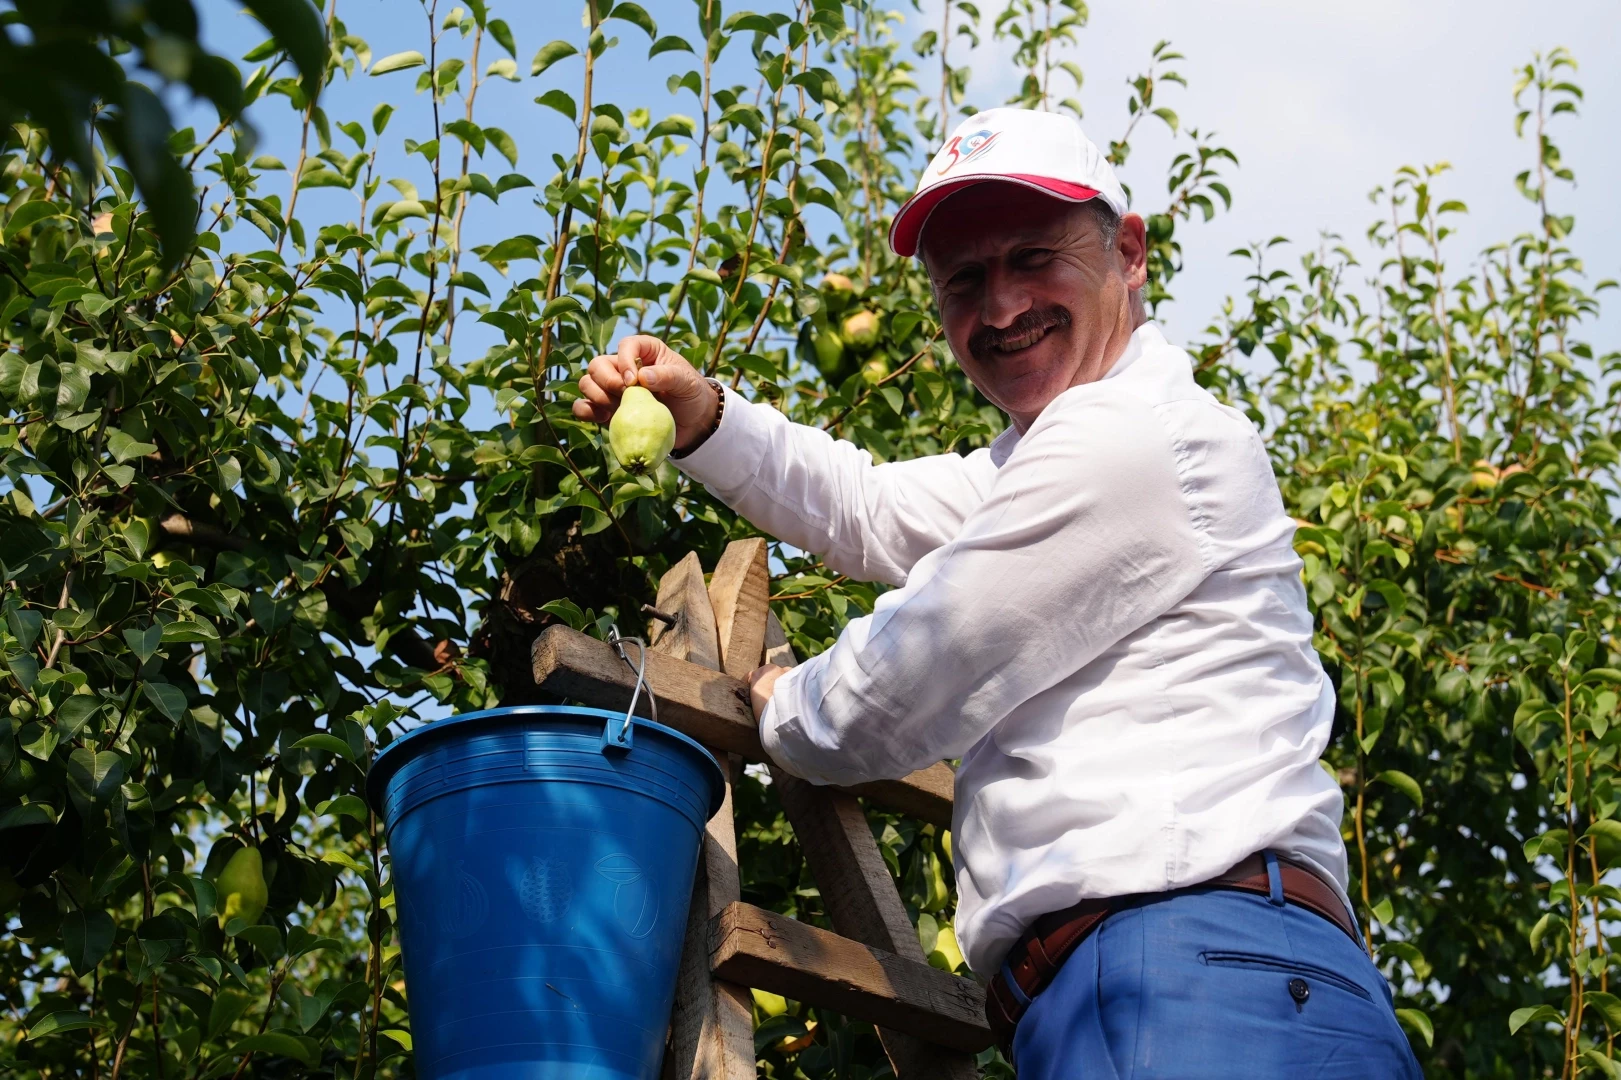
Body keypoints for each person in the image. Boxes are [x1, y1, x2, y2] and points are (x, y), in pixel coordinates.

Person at [573, 107, 1422, 1078]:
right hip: (1221, 981)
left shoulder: (1126, 442)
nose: (1002, 305)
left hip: (1178, 976)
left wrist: (782, 706)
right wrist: (706, 415)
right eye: (964, 280)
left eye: (1034, 257)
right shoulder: (1073, 449)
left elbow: (909, 677)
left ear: (1129, 251)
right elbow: (869, 508)